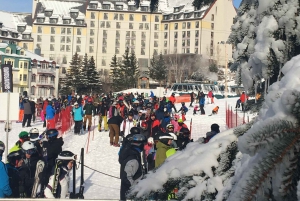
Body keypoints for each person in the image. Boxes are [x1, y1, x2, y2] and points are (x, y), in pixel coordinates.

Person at [119, 134, 146, 201]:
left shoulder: (131, 153)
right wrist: (135, 189)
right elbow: (127, 178)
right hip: (130, 195)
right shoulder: (133, 159)